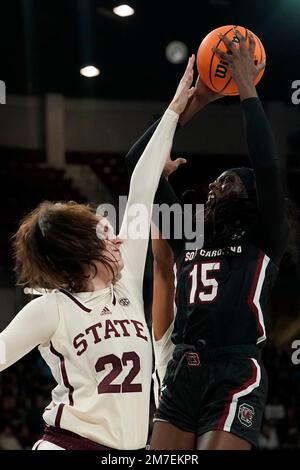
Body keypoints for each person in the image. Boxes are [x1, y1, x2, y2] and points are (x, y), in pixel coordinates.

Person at [0, 55, 196, 450]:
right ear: (84, 249)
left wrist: (174, 110)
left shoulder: (123, 284)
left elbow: (141, 190)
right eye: (108, 233)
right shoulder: (52, 308)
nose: (121, 238)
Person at [126, 30, 288, 450]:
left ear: (251, 196)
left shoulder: (265, 234)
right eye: (215, 183)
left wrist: (247, 90)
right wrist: (189, 104)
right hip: (184, 366)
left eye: (228, 181)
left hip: (236, 367)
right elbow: (137, 165)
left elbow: (267, 166)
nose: (215, 188)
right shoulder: (189, 232)